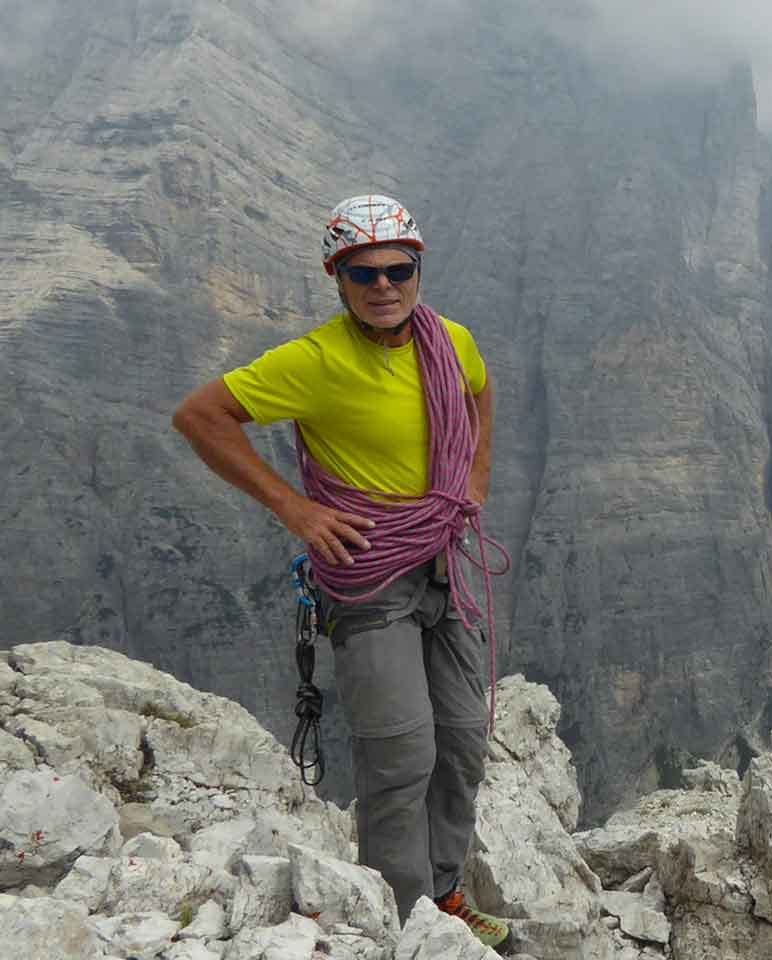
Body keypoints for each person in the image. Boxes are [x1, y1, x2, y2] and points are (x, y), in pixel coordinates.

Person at [172, 194, 508, 947]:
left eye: (398, 269)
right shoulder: (315, 361)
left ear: (418, 270)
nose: (383, 285)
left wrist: (476, 478)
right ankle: (403, 920)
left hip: (441, 562)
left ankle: (445, 895)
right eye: (364, 273)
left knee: (462, 740)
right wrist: (296, 509)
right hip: (368, 578)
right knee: (401, 752)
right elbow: (200, 415)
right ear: (338, 278)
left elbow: (481, 392)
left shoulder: (451, 340)